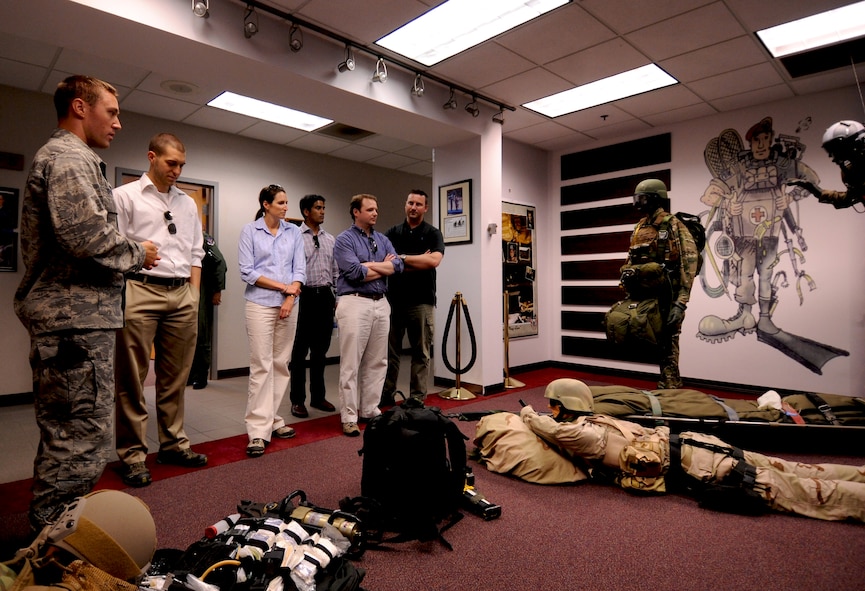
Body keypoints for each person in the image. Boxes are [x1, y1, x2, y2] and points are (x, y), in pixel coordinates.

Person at [14, 75, 159, 531]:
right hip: (72, 322)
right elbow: (85, 236)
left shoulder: (71, 159)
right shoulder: (69, 158)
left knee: (72, 434)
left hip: (77, 322)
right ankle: (52, 551)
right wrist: (139, 253)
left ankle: (57, 541)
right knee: (79, 440)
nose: (118, 122)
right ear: (80, 107)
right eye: (111, 112)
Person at [518, 378, 865, 522]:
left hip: (704, 467)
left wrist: (527, 413)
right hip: (701, 447)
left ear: (564, 408)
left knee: (807, 491)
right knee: (795, 468)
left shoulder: (585, 434)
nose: (551, 412)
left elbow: (548, 428)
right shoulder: (605, 420)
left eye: (554, 406)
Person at [113, 132, 208, 487]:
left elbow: (196, 252)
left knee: (175, 378)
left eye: (182, 164)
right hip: (140, 290)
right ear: (151, 157)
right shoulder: (124, 197)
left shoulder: (187, 203)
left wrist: (194, 296)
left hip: (182, 293)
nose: (177, 170)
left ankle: (173, 444)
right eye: (171, 163)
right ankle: (133, 455)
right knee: (132, 379)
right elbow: (114, 247)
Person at [238, 184, 306, 457]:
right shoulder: (250, 231)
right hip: (260, 304)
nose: (285, 207)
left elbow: (299, 268)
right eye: (280, 202)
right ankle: (257, 431)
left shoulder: (294, 232)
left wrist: (291, 297)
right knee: (262, 366)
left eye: (286, 202)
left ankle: (272, 419)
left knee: (280, 365)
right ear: (266, 204)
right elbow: (247, 271)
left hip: (289, 304)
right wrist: (283, 288)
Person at [333, 194, 403, 436]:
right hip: (354, 303)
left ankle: (369, 409)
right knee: (351, 363)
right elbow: (353, 273)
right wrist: (382, 267)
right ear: (356, 212)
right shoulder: (344, 240)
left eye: (376, 209)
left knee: (378, 361)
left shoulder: (382, 239)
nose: (375, 213)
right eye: (370, 209)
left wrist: (370, 266)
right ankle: (349, 416)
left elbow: (398, 266)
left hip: (381, 303)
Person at [624, 179, 698, 388]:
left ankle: (671, 386)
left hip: (669, 294)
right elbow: (631, 258)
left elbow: (689, 262)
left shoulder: (673, 224)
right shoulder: (640, 226)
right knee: (653, 341)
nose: (638, 203)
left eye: (642, 198)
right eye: (636, 198)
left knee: (669, 342)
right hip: (646, 294)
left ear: (656, 199)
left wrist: (681, 302)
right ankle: (666, 385)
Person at [382, 189, 445, 405]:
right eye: (410, 203)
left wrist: (401, 260)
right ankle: (386, 395)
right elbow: (387, 264)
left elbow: (434, 261)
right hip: (394, 301)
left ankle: (417, 398)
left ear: (425, 208)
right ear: (405, 204)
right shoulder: (393, 233)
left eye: (418, 204)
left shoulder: (433, 233)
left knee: (421, 353)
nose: (413, 207)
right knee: (390, 354)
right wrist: (417, 261)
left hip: (422, 302)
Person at [288, 195, 338, 418]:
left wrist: (337, 298)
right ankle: (297, 400)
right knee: (299, 352)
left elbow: (335, 271)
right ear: (306, 212)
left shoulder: (330, 239)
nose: (323, 211)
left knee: (321, 351)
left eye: (324, 207)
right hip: (303, 297)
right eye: (318, 208)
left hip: (325, 297)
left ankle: (318, 397)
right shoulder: (294, 237)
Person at [787, 120, 865, 210]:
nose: (835, 158)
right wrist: (817, 191)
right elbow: (851, 197)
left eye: (840, 152)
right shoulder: (853, 172)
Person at [187, 231, 227, 389]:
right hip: (183, 286)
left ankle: (201, 376)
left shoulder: (201, 236)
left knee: (201, 334)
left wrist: (217, 290)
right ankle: (189, 374)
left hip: (201, 288)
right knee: (185, 335)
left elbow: (220, 262)